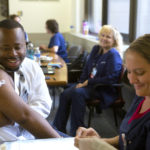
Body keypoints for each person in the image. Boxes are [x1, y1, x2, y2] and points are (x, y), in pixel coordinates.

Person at [75, 34, 150, 150]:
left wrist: (100, 147)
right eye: (129, 72)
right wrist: (100, 142)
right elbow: (126, 138)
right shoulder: (142, 97)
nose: (131, 80)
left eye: (139, 72)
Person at [53, 25, 123, 136]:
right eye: (102, 35)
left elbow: (111, 78)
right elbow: (87, 68)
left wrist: (88, 82)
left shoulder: (114, 55)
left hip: (102, 89)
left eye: (108, 37)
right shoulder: (96, 49)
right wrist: (81, 82)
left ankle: (76, 131)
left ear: (114, 40)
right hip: (89, 86)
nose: (104, 38)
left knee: (77, 93)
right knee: (65, 94)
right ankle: (58, 128)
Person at [0, 19, 62, 141]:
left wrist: (13, 114)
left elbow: (43, 104)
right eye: (5, 48)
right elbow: (25, 116)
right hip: (5, 142)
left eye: (18, 47)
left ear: (26, 46)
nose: (13, 54)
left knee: (83, 144)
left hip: (34, 135)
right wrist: (21, 115)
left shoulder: (32, 67)